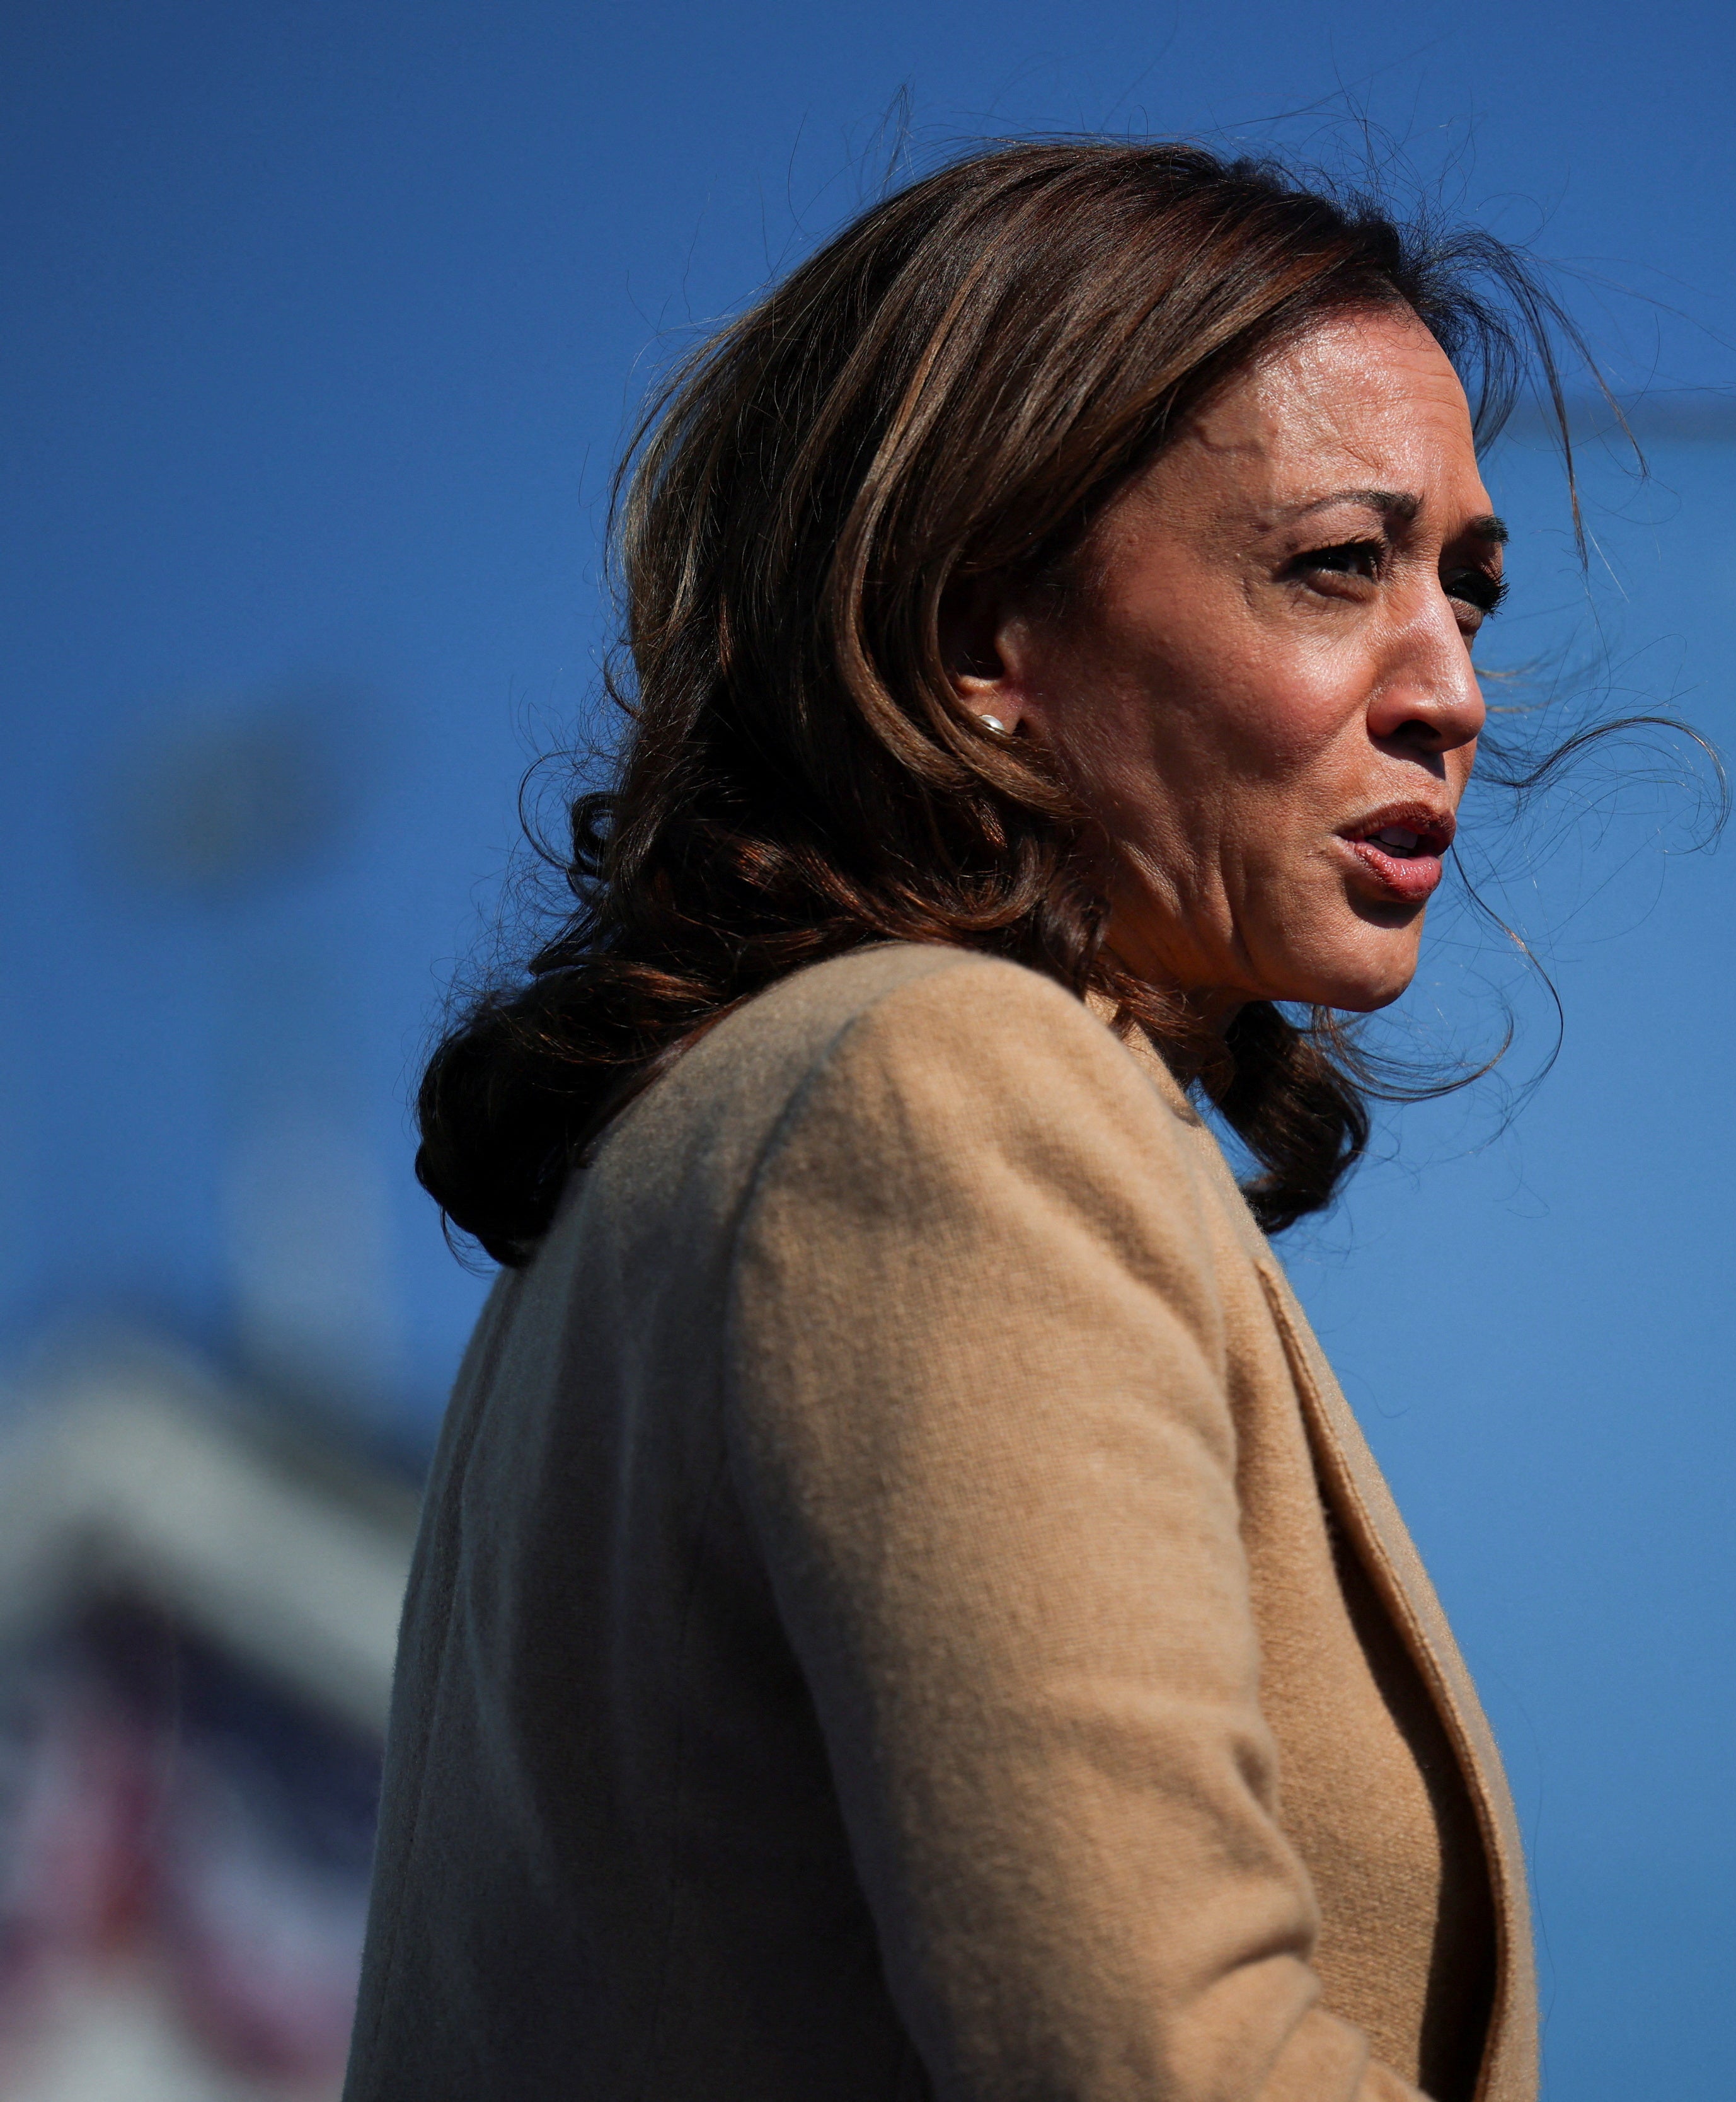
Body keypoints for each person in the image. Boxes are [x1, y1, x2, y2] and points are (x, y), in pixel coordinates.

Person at [348, 141, 1583, 2102]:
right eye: (1340, 565)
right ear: (971, 641)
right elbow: (1156, 2064)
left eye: (1470, 587)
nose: (1454, 689)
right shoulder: (940, 1096)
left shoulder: (751, 1136)